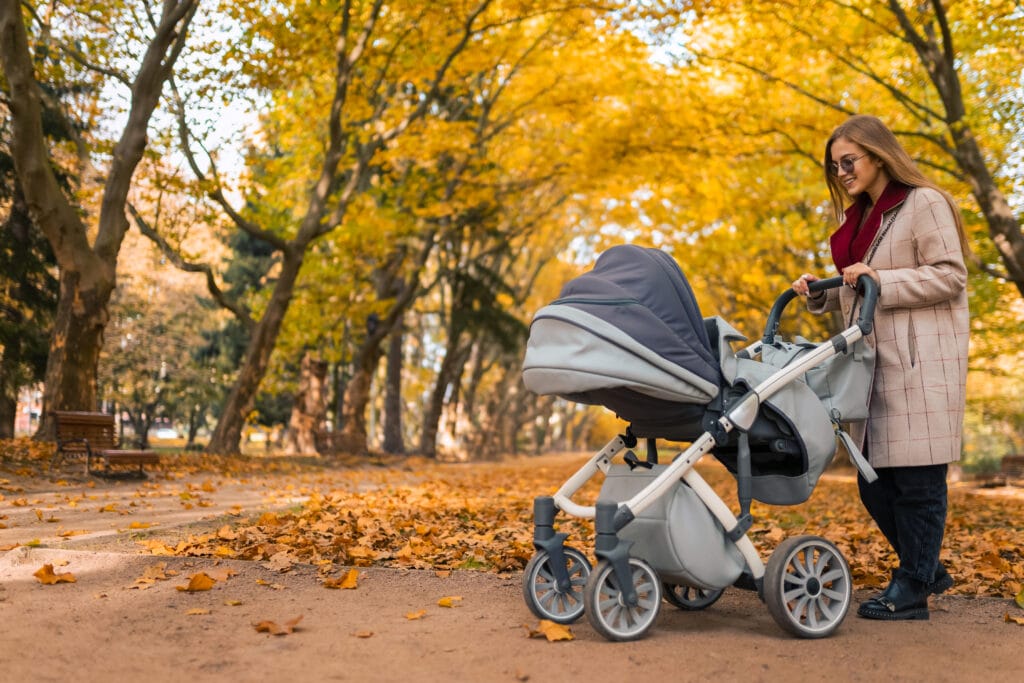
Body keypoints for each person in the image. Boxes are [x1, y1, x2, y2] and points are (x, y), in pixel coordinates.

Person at [791, 114, 970, 621]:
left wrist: (880, 278)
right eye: (835, 166)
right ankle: (927, 568)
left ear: (879, 154)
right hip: (871, 367)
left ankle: (913, 586)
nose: (842, 172)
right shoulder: (858, 223)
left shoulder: (923, 203)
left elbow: (949, 277)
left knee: (917, 481)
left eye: (850, 161)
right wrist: (818, 294)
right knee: (873, 484)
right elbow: (858, 287)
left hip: (918, 359)